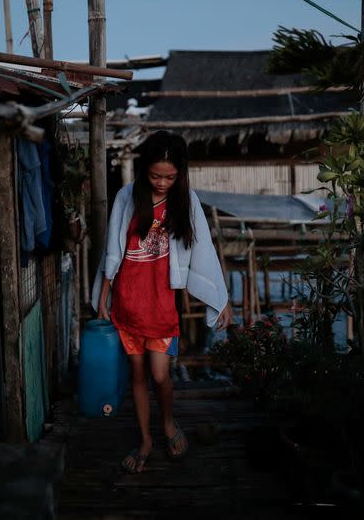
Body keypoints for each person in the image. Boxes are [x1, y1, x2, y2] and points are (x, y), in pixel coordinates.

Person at [91, 130, 231, 473]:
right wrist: (103, 298)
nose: (163, 183)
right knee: (138, 374)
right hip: (128, 299)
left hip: (161, 304)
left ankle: (168, 422)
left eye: (170, 176)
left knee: (160, 375)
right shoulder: (127, 196)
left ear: (180, 173)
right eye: (156, 176)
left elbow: (204, 249)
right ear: (144, 170)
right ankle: (145, 440)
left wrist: (221, 298)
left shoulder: (187, 200)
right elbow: (112, 250)